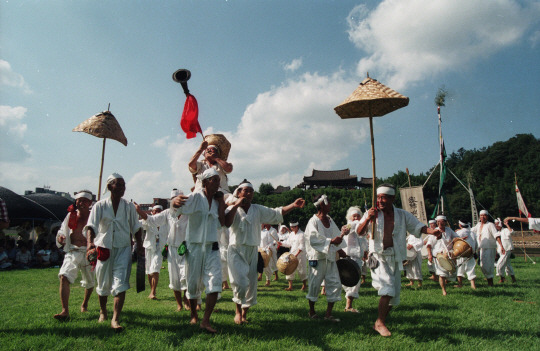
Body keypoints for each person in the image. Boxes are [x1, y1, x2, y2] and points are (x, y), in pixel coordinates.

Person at [355, 184, 440, 337]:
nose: (380, 201)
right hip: (378, 257)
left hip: (395, 257)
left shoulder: (402, 214)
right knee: (387, 289)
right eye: (378, 197)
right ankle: (380, 323)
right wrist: (368, 218)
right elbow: (359, 232)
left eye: (384, 198)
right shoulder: (372, 213)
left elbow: (418, 226)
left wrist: (432, 231)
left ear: (392, 198)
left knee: (394, 296)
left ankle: (378, 323)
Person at [224, 180, 305, 324]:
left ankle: (244, 313)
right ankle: (237, 310)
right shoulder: (232, 208)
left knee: (251, 284)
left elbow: (276, 213)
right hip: (236, 249)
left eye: (251, 191)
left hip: (252, 250)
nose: (249, 193)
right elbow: (226, 222)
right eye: (245, 191)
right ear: (238, 193)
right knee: (240, 282)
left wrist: (293, 205)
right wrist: (236, 205)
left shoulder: (257, 209)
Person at [86, 173, 143, 331]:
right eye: (119, 184)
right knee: (103, 284)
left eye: (124, 185)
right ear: (110, 186)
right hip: (104, 248)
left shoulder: (129, 207)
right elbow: (91, 226)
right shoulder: (100, 206)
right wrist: (90, 244)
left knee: (121, 284)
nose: (122, 188)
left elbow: (136, 227)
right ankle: (103, 311)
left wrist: (139, 245)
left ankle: (115, 319)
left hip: (123, 248)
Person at [171, 168, 226, 333]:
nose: (218, 183)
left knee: (215, 283)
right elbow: (178, 207)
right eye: (214, 180)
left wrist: (222, 201)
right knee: (192, 284)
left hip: (212, 248)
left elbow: (222, 222)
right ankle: (194, 315)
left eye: (219, 180)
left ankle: (206, 320)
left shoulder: (217, 201)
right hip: (194, 247)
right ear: (205, 182)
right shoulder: (196, 197)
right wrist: (174, 202)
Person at [136, 189, 192, 311]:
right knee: (175, 278)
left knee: (186, 276)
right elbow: (151, 220)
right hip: (172, 249)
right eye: (174, 199)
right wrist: (139, 210)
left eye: (179, 199)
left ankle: (186, 299)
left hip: (186, 249)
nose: (177, 202)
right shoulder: (167, 213)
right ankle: (179, 304)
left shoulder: (189, 213)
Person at [54, 190, 95, 321]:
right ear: (76, 201)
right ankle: (65, 310)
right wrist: (61, 237)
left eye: (84, 201)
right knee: (64, 276)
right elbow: (62, 230)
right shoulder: (71, 215)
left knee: (90, 283)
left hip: (89, 252)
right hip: (73, 251)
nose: (81, 203)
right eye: (79, 200)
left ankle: (85, 303)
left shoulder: (94, 216)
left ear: (89, 203)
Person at [305, 194, 347, 322]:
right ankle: (311, 311)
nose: (330, 205)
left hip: (330, 257)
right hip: (317, 258)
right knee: (314, 284)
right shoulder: (313, 221)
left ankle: (328, 314)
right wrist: (331, 242)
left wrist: (340, 248)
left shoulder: (329, 219)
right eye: (328, 202)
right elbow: (313, 239)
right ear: (321, 205)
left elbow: (335, 235)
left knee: (335, 283)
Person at [342, 206, 368, 312]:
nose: (356, 218)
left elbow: (363, 241)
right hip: (349, 256)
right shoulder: (351, 224)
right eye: (354, 216)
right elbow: (347, 228)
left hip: (357, 257)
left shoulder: (360, 226)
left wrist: (365, 251)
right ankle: (348, 306)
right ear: (350, 217)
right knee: (351, 280)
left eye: (358, 216)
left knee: (354, 281)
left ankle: (348, 304)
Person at [141, 205, 169, 300]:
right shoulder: (148, 221)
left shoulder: (166, 222)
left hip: (160, 248)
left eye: (159, 211)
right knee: (149, 270)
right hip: (149, 247)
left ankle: (153, 292)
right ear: (152, 212)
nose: (157, 213)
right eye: (155, 211)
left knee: (155, 268)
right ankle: (152, 289)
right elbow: (139, 224)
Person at [471, 210, 503, 287]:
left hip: (489, 248)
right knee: (482, 265)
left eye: (484, 215)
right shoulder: (478, 225)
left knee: (488, 265)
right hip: (481, 248)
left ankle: (490, 282)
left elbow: (496, 235)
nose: (483, 217)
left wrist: (501, 246)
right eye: (481, 215)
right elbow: (471, 231)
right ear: (479, 217)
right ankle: (489, 279)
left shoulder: (490, 225)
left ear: (487, 217)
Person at [431, 215, 459, 296]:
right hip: (439, 255)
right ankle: (444, 290)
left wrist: (459, 239)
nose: (440, 223)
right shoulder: (434, 231)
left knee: (452, 273)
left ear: (445, 222)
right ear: (436, 222)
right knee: (442, 274)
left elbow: (456, 237)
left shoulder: (449, 230)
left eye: (442, 221)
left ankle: (446, 281)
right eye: (438, 221)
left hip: (449, 254)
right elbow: (429, 245)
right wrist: (429, 255)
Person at [281, 221, 308, 291]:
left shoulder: (302, 234)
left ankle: (304, 285)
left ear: (297, 227)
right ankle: (290, 286)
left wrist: (296, 255)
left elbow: (302, 246)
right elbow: (288, 243)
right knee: (289, 269)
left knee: (301, 270)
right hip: (292, 254)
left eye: (293, 227)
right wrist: (281, 243)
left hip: (300, 255)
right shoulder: (291, 234)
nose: (291, 229)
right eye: (291, 227)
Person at [454, 220, 477, 289]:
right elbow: (476, 243)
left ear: (460, 225)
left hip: (461, 252)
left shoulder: (460, 232)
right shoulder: (472, 233)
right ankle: (473, 285)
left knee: (459, 268)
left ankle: (460, 284)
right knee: (470, 268)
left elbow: (454, 240)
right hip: (470, 253)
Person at [495, 218, 516, 284]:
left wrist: (507, 225)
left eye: (497, 224)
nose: (496, 226)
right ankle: (513, 278)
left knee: (499, 264)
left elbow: (512, 232)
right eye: (495, 225)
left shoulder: (506, 230)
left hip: (506, 250)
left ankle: (501, 277)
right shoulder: (497, 233)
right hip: (500, 251)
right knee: (507, 265)